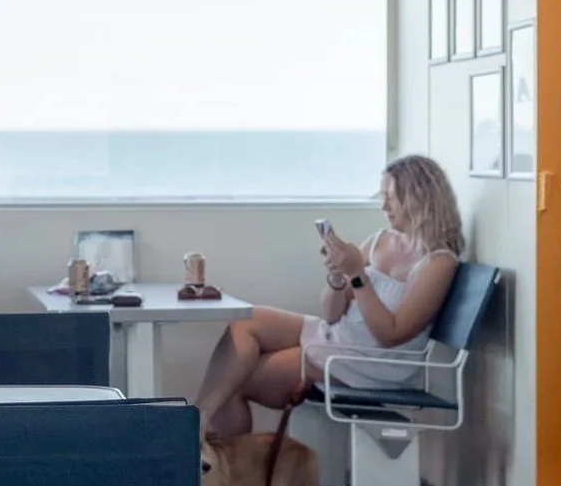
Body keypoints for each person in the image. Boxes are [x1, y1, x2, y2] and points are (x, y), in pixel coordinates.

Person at [192, 155, 464, 441]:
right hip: (340, 338)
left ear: (417, 199)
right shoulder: (379, 240)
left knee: (233, 382)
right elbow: (333, 314)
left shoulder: (439, 263)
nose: (383, 206)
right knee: (244, 321)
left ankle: (223, 466)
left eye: (391, 197)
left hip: (375, 363)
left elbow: (390, 335)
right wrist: (337, 278)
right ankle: (198, 420)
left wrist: (357, 275)